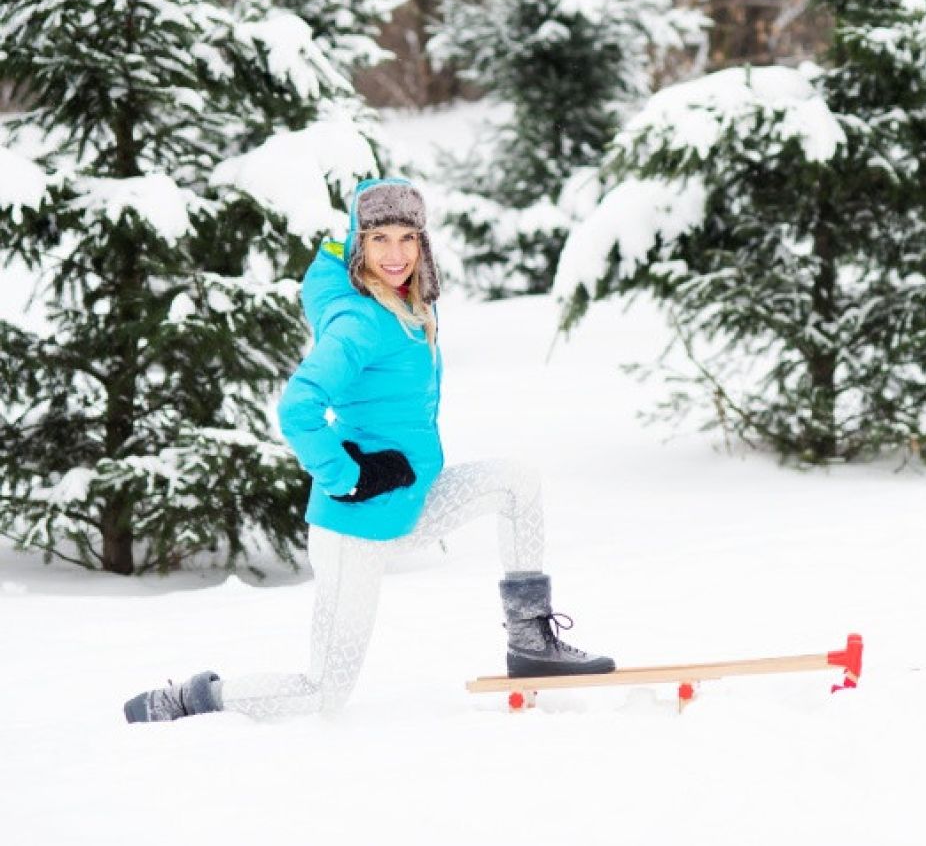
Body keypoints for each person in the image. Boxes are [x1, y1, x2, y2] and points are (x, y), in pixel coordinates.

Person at [123, 178, 614, 723]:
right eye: (380, 239)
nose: (396, 254)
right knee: (323, 692)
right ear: (360, 243)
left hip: (408, 504)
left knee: (517, 482)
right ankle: (188, 701)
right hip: (353, 530)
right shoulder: (361, 322)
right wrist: (349, 476)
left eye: (408, 238)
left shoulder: (406, 305)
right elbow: (298, 407)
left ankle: (529, 641)